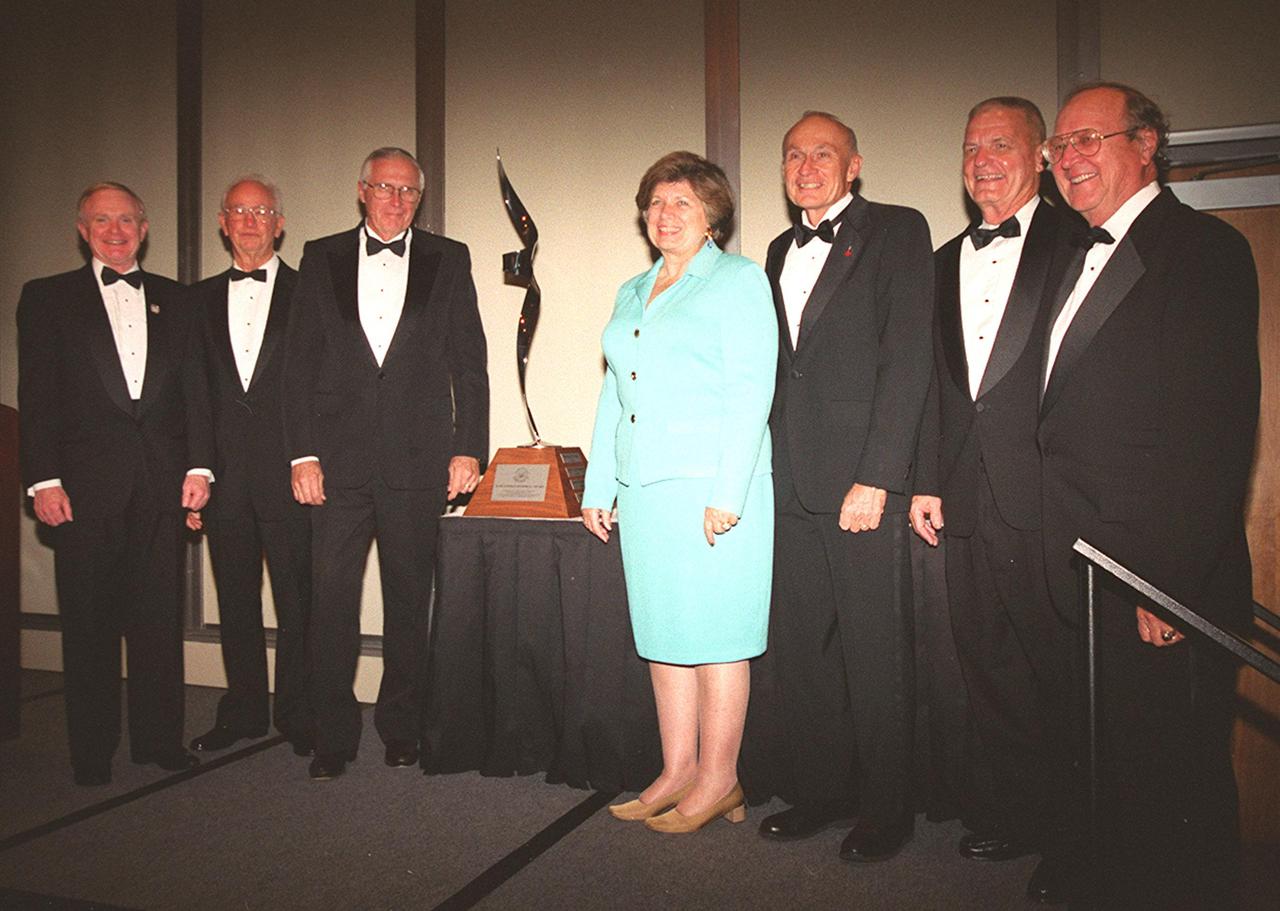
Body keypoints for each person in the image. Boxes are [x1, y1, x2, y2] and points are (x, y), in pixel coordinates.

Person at [1038, 82, 1259, 907]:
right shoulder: (1070, 253)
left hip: (1153, 577)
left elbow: (1214, 432)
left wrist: (1163, 579)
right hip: (1081, 569)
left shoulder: (1203, 248)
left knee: (1177, 791)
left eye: (1091, 138)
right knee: (1112, 775)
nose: (1071, 158)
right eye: (1061, 146)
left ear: (1148, 142)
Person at [909, 98, 1079, 900]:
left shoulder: (1079, 240)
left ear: (1039, 155)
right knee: (991, 668)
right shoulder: (943, 259)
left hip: (1051, 502)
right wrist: (926, 478)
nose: (982, 158)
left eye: (1000, 144)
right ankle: (1020, 816)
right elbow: (939, 390)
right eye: (971, 145)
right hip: (968, 504)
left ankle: (1083, 836)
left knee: (1063, 674)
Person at [582, 151, 777, 834]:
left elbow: (752, 390)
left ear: (712, 215)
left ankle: (720, 779)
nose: (666, 215)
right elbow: (614, 391)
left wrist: (729, 491)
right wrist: (599, 484)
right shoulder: (632, 290)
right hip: (645, 491)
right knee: (664, 638)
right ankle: (676, 768)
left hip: (712, 493)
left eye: (683, 204)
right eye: (656, 202)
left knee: (719, 638)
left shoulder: (738, 281)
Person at [756, 112, 934, 861]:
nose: (806, 165)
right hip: (790, 477)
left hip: (860, 480)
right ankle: (822, 791)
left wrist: (880, 475)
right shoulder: (774, 248)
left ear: (853, 165)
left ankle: (887, 809)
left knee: (873, 653)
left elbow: (908, 356)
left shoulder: (898, 229)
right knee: (805, 652)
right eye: (794, 153)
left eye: (822, 153)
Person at [282, 147, 489, 780]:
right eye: (384, 188)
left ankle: (402, 729)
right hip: (335, 468)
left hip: (417, 464)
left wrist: (468, 448)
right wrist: (302, 453)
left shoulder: (448, 259)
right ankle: (332, 736)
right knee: (332, 606)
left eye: (407, 192)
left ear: (418, 200)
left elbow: (469, 362)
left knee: (408, 604)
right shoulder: (320, 257)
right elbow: (298, 364)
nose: (396, 201)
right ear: (361, 191)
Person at [17, 182, 213, 785]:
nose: (116, 230)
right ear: (83, 229)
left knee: (158, 625)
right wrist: (43, 481)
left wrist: (200, 468)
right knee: (89, 625)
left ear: (144, 227)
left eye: (126, 219)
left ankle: (159, 741)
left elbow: (195, 396)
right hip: (82, 490)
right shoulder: (47, 298)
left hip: (161, 488)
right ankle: (92, 751)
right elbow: (38, 396)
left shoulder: (178, 300)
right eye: (102, 220)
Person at [185, 177, 314, 757]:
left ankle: (296, 714)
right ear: (222, 221)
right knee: (234, 600)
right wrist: (195, 471)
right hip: (223, 478)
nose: (250, 219)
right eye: (239, 210)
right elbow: (188, 394)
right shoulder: (195, 299)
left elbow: (323, 389)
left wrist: (312, 459)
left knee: (297, 601)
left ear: (279, 224)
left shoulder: (311, 292)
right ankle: (241, 711)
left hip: (290, 472)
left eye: (262, 210)